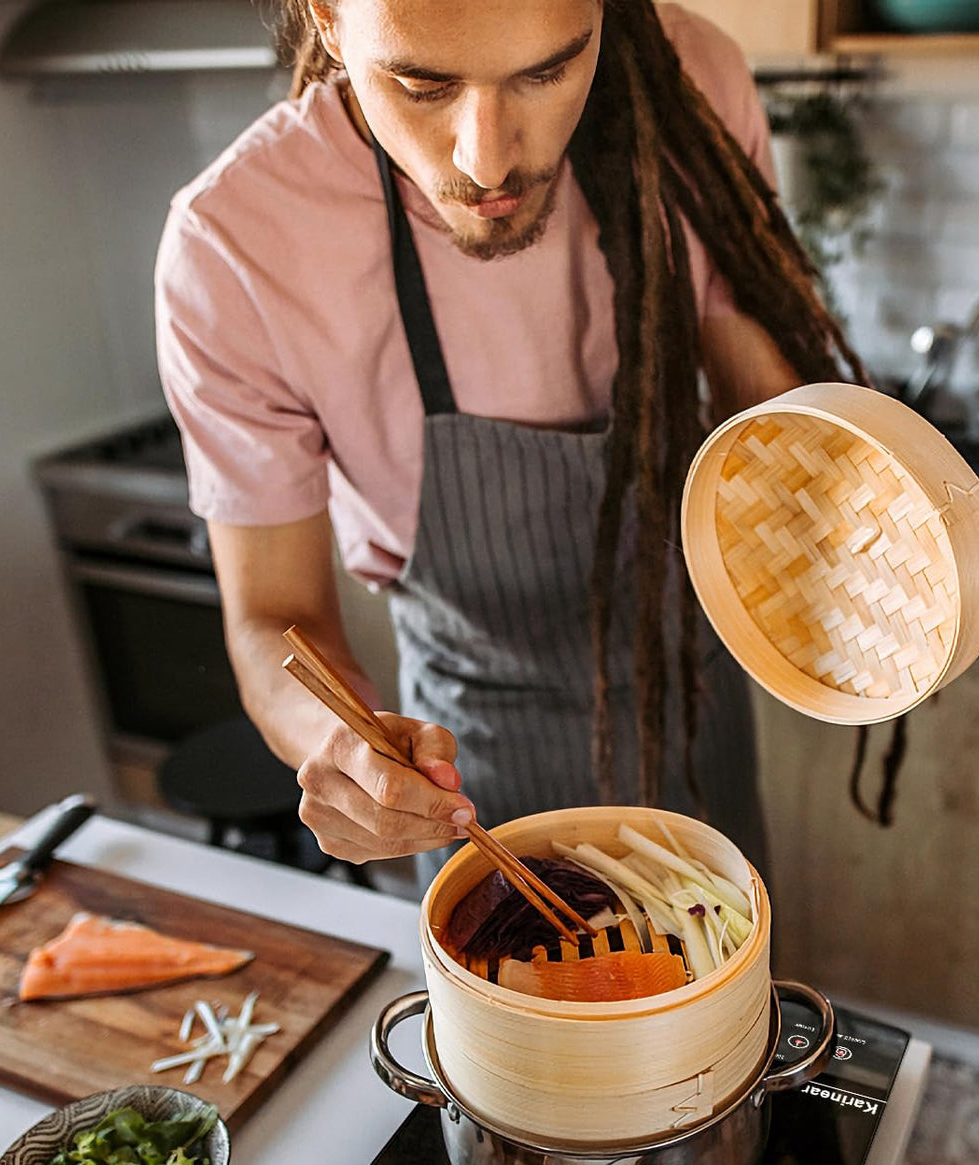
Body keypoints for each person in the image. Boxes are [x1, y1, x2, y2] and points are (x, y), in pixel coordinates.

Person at [155, 0, 863, 888]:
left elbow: (767, 420)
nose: (486, 160)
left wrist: (860, 546)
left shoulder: (692, 85)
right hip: (473, 773)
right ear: (329, 19)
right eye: (423, 86)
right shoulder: (237, 244)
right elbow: (273, 617)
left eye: (549, 71)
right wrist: (345, 750)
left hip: (696, 726)